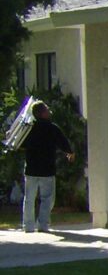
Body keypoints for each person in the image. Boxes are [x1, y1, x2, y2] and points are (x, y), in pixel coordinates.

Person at [20, 100, 74, 233]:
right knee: (47, 199)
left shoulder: (29, 128)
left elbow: (20, 144)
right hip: (47, 169)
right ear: (42, 113)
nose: (49, 110)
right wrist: (70, 152)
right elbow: (63, 142)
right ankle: (43, 225)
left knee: (29, 199)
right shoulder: (52, 128)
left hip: (31, 169)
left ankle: (28, 226)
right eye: (47, 109)